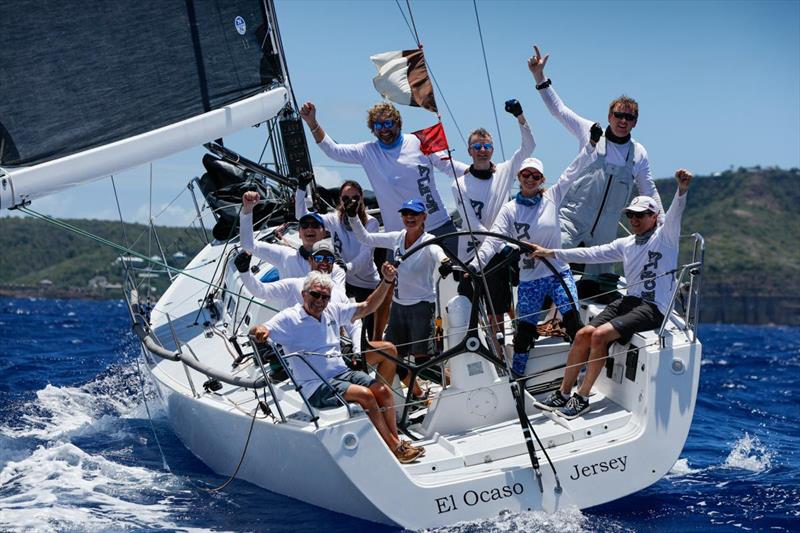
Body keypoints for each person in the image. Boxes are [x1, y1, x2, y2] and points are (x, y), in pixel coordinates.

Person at [531, 169, 693, 419]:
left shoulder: (665, 238)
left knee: (599, 336)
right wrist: (552, 253)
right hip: (629, 302)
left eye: (640, 215)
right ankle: (563, 393)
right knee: (584, 333)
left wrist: (681, 190)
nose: (634, 220)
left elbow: (675, 215)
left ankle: (581, 398)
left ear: (654, 217)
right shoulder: (626, 244)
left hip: (653, 308)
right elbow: (591, 253)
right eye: (631, 215)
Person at [250, 266, 425, 463]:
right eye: (315, 295)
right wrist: (260, 331)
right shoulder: (289, 318)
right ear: (303, 294)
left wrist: (386, 281)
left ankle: (396, 443)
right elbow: (261, 328)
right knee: (365, 395)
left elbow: (367, 306)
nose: (320, 301)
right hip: (315, 386)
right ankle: (395, 447)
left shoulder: (332, 310)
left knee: (383, 391)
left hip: (342, 373)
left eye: (325, 297)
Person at [471, 127, 603, 376]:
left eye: (535, 176)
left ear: (542, 179)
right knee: (523, 336)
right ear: (519, 178)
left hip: (558, 274)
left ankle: (582, 370)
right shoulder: (510, 210)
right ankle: (517, 378)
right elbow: (492, 242)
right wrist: (473, 267)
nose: (530, 179)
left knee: (573, 321)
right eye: (525, 175)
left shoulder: (553, 196)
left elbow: (573, 171)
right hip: (530, 279)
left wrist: (591, 144)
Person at [527, 45, 664, 270]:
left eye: (629, 118)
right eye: (618, 115)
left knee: (597, 289)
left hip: (605, 234)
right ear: (609, 116)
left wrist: (664, 228)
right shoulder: (590, 131)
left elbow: (649, 190)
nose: (623, 121)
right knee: (549, 268)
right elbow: (559, 110)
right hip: (570, 222)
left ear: (635, 122)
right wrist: (539, 76)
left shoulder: (638, 153)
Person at [299, 101, 468, 254]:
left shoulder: (420, 141)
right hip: (399, 236)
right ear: (372, 129)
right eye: (378, 125)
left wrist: (484, 171)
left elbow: (450, 167)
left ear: (398, 123)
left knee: (457, 282)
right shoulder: (367, 151)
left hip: (438, 227)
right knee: (397, 286)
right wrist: (312, 123)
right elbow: (332, 150)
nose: (384, 129)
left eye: (388, 123)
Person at [235, 239, 396, 387]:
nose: (324, 263)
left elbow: (354, 324)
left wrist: (357, 350)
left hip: (336, 353)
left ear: (333, 264)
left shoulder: (338, 292)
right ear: (310, 260)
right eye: (319, 259)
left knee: (389, 351)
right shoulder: (294, 285)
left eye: (329, 259)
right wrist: (244, 272)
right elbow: (260, 290)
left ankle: (387, 403)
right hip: (307, 359)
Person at [449, 99, 535, 342]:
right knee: (469, 308)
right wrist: (498, 242)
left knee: (498, 308)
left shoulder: (506, 172)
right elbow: (471, 224)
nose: (483, 150)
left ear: (493, 149)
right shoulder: (458, 184)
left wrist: (520, 116)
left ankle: (499, 351)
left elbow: (529, 146)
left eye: (487, 145)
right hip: (470, 254)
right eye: (477, 147)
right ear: (469, 151)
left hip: (497, 255)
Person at [348, 198, 450, 397]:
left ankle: (457, 385)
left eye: (414, 214)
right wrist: (353, 217)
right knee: (392, 356)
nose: (409, 217)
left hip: (422, 307)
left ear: (424, 217)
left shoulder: (429, 241)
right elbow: (366, 239)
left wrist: (445, 262)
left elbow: (439, 254)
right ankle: (418, 396)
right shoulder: (396, 237)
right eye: (405, 214)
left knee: (424, 364)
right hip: (398, 308)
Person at [296, 179, 385, 340]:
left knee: (369, 331)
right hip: (342, 280)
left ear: (362, 198)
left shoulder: (371, 223)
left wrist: (347, 267)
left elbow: (366, 255)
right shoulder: (333, 219)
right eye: (345, 198)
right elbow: (303, 217)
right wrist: (301, 190)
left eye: (355, 198)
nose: (351, 202)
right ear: (340, 200)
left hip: (366, 283)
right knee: (333, 319)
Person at [240, 190, 346, 286]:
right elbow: (248, 245)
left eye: (315, 225)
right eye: (304, 225)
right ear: (299, 233)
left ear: (324, 233)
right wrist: (248, 209)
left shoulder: (333, 266)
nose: (309, 228)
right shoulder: (284, 256)